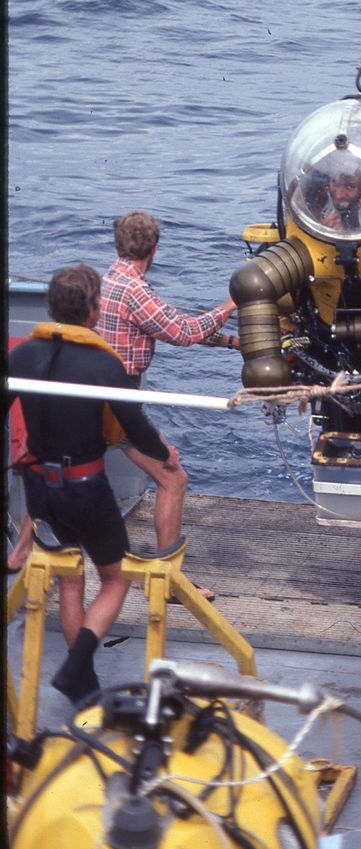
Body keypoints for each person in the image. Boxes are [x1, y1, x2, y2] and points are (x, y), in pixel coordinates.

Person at [7, 264, 175, 703]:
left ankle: (82, 683)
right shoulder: (104, 363)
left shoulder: (22, 355)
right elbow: (135, 428)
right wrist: (164, 455)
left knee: (70, 579)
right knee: (116, 579)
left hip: (40, 492)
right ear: (95, 308)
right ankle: (78, 664)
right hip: (86, 493)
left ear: (50, 306)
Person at [96, 210, 237, 599]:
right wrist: (230, 306)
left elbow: (166, 321)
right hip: (118, 404)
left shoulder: (114, 278)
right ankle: (167, 584)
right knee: (173, 478)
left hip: (106, 398)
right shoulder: (135, 290)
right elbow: (182, 332)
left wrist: (232, 343)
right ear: (154, 248)